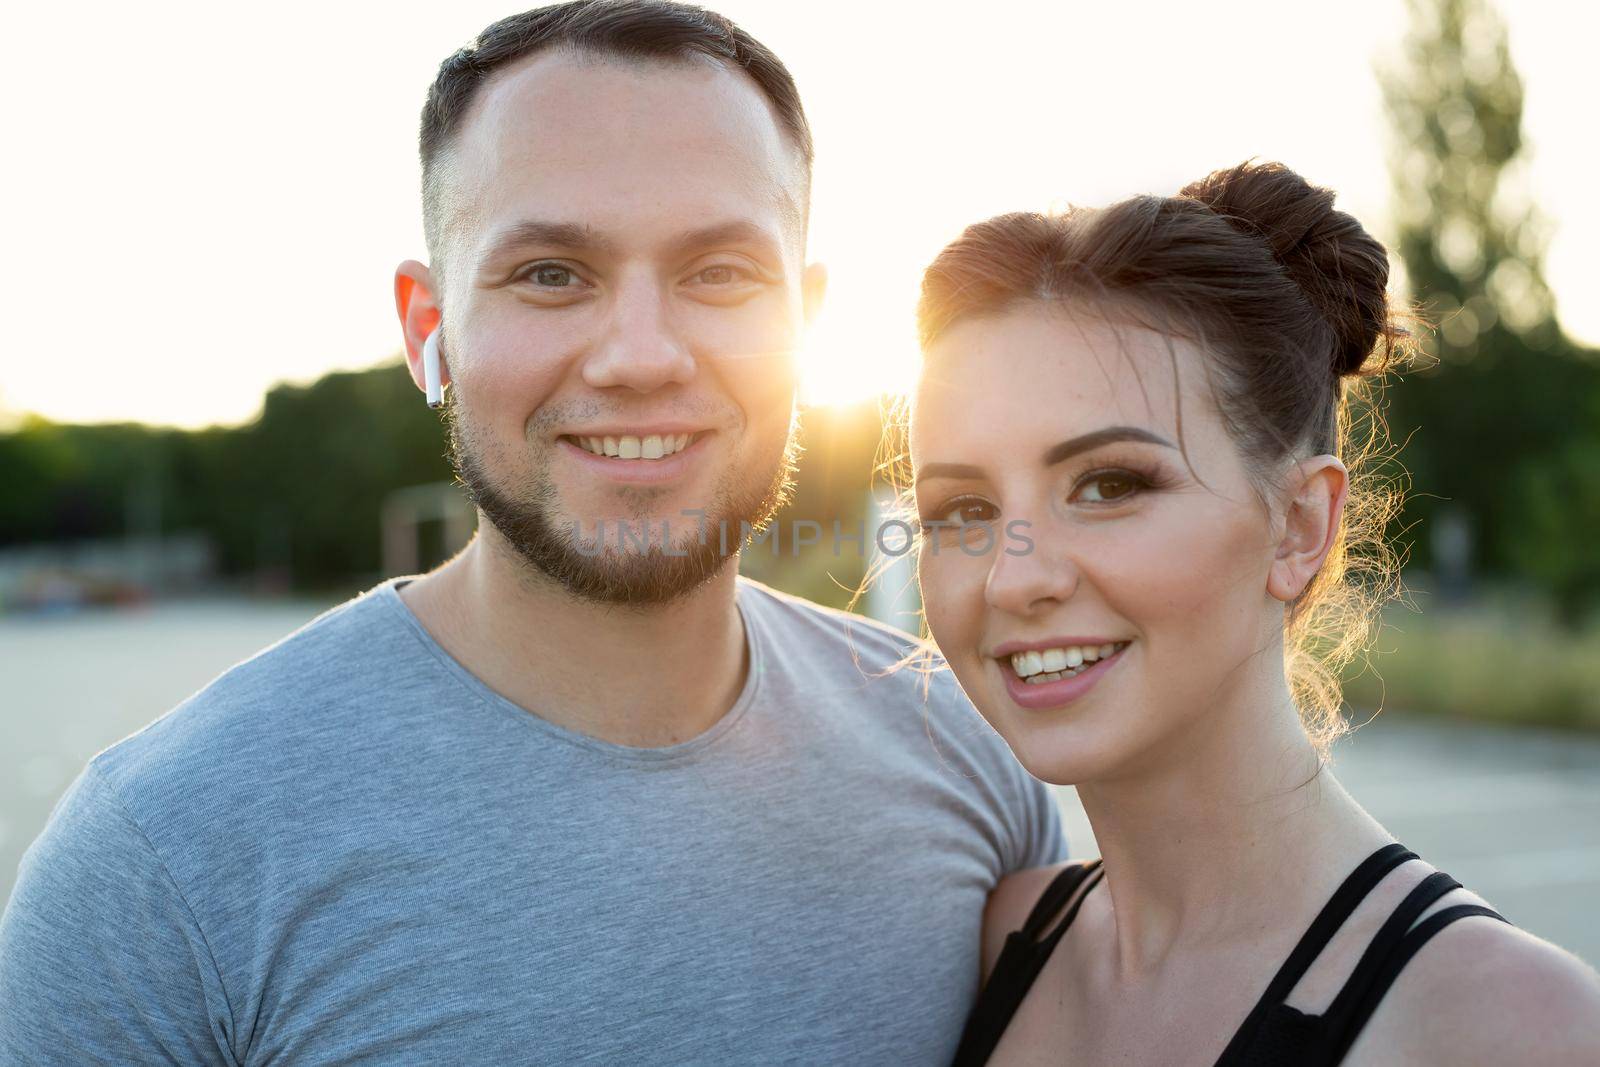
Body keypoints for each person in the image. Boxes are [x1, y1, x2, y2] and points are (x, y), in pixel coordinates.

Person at [0, 3, 1065, 1062]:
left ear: (808, 320)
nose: (640, 355)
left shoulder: (970, 760)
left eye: (718, 273)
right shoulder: (162, 859)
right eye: (551, 273)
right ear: (430, 328)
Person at [903, 161, 1600, 1065]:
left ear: (1299, 525)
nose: (1010, 580)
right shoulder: (1005, 941)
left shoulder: (1511, 1027)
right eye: (962, 509)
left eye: (1109, 484)